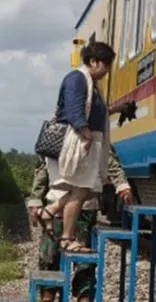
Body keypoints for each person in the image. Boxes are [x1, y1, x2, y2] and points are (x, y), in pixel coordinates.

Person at [26, 148, 134, 302]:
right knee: (49, 256)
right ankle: (46, 301)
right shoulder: (55, 131)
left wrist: (121, 184)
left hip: (85, 208)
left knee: (84, 260)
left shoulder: (93, 132)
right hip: (55, 202)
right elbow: (42, 167)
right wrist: (35, 199)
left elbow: (109, 160)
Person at [37, 41, 115, 254]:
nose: (107, 70)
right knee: (80, 190)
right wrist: (86, 133)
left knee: (86, 189)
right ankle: (67, 238)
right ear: (93, 61)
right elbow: (73, 109)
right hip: (78, 142)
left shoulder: (90, 82)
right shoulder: (77, 79)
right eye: (105, 64)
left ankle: (50, 211)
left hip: (85, 142)